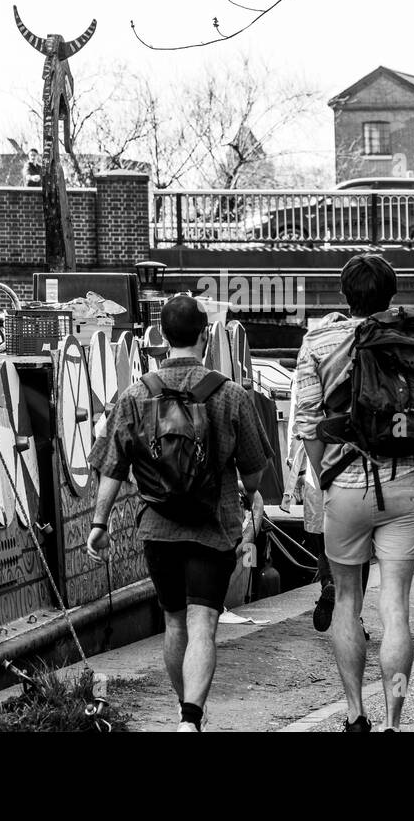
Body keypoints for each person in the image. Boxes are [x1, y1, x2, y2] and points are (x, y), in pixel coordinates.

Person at [86, 295, 270, 732]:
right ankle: (191, 718)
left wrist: (99, 523)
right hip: (213, 525)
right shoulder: (229, 394)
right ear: (205, 335)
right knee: (203, 621)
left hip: (158, 527)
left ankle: (185, 711)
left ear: (161, 338)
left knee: (173, 621)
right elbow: (255, 470)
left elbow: (110, 465)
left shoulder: (135, 394)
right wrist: (252, 493)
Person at [292, 253, 414, 732]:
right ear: (391, 295)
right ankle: (395, 719)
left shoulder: (318, 342)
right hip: (405, 479)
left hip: (346, 486)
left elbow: (308, 425)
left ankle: (356, 714)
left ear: (344, 296)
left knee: (348, 601)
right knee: (395, 606)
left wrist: (326, 477)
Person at [283, 312, 372, 635]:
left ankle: (328, 583)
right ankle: (353, 615)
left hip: (317, 472)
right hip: (352, 472)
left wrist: (293, 483)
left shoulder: (308, 367)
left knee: (324, 542)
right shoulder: (358, 366)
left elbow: (299, 424)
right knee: (358, 551)